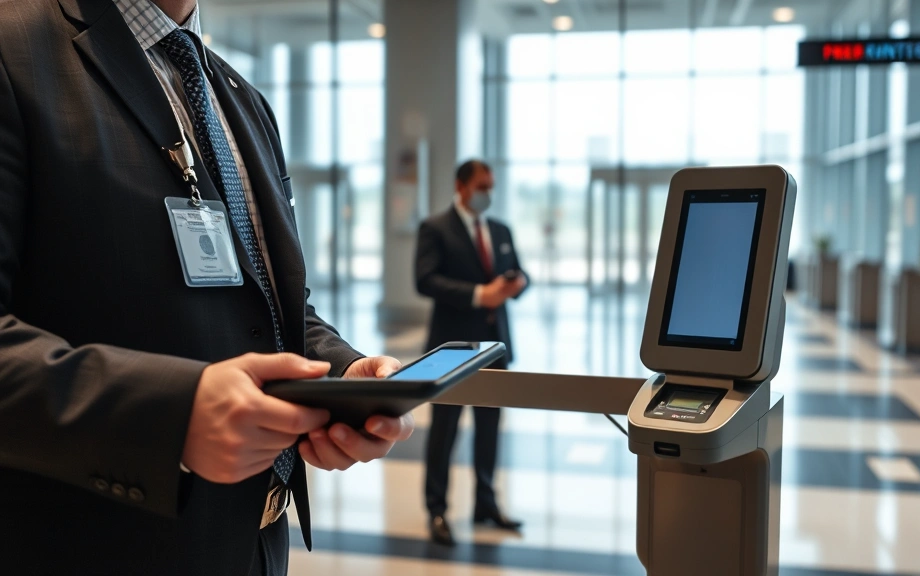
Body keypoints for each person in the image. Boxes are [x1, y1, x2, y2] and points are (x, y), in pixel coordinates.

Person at [0, 1, 413, 574]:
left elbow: (267, 299)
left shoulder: (241, 97)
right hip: (97, 545)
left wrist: (340, 376)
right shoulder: (15, 50)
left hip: (256, 542)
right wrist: (172, 417)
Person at [415, 159, 529, 546]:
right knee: (444, 432)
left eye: (491, 187)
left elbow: (517, 273)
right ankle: (437, 510)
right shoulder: (435, 228)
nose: (488, 194)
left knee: (489, 430)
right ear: (461, 186)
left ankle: (485, 502)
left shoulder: (500, 230)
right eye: (482, 186)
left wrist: (519, 283)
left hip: (495, 347)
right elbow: (425, 280)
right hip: (451, 348)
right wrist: (481, 295)